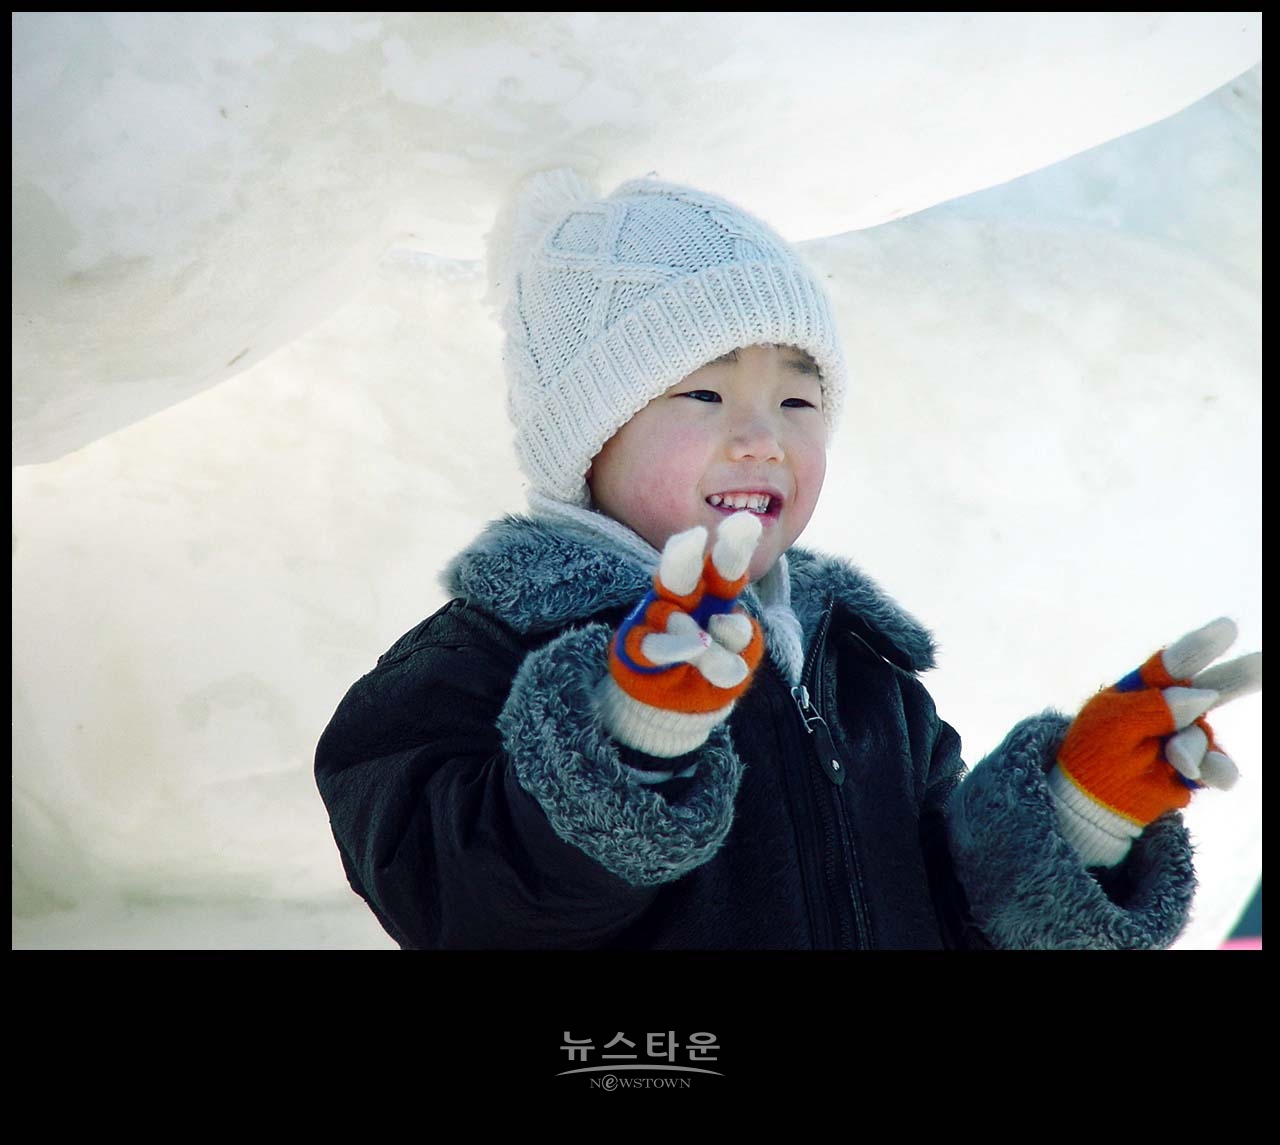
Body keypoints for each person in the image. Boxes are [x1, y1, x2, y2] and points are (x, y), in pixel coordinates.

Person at [314, 169, 1260, 949]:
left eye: (798, 403)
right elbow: (466, 906)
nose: (764, 438)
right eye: (704, 395)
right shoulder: (477, 661)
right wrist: (627, 743)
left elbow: (949, 919)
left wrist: (1079, 818)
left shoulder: (864, 679)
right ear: (587, 436)